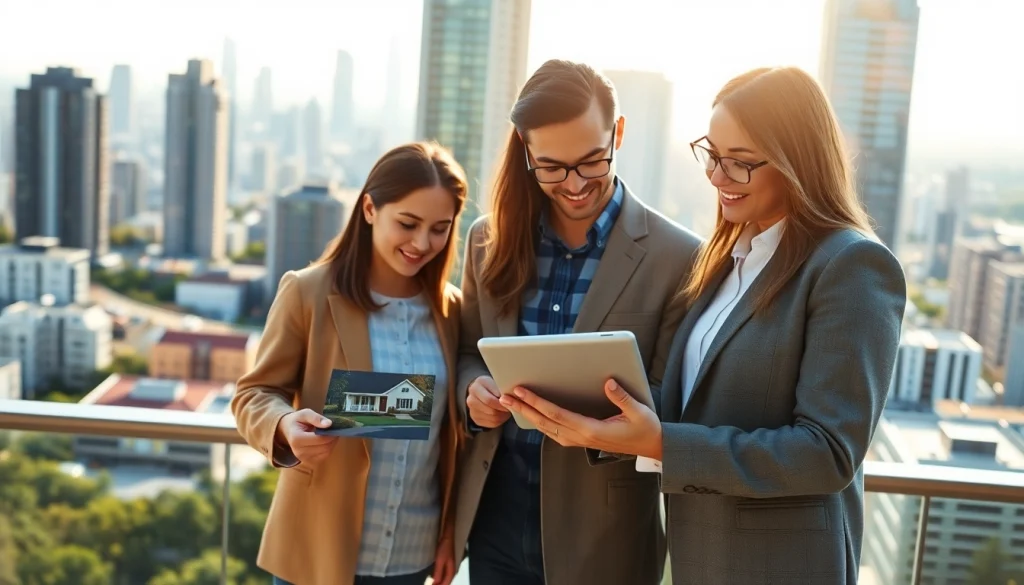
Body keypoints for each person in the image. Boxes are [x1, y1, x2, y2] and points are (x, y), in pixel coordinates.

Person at [501, 65, 908, 584]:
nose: (716, 177)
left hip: (781, 570)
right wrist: (584, 410)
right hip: (701, 561)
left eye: (739, 164)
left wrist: (662, 445)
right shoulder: (726, 258)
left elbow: (827, 452)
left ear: (796, 162)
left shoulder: (850, 266)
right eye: (712, 155)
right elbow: (691, 399)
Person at [452, 59, 703, 585]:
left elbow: (671, 396)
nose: (574, 185)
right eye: (551, 167)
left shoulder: (677, 256)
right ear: (526, 151)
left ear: (620, 133)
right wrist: (472, 393)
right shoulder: (485, 241)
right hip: (494, 516)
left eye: (592, 161)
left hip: (603, 533)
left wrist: (599, 422)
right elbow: (469, 352)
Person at [231, 142, 470, 585]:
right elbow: (253, 395)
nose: (422, 243)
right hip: (318, 553)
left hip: (413, 558)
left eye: (440, 228)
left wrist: (449, 534)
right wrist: (284, 426)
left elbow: (449, 439)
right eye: (408, 223)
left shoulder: (454, 312)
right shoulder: (308, 292)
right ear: (369, 209)